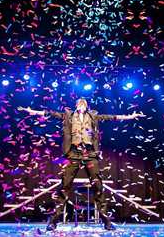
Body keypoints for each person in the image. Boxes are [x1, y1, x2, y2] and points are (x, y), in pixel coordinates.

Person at [17, 98, 146, 231]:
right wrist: (32, 111)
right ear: (76, 106)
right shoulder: (68, 115)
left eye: (84, 104)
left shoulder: (93, 116)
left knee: (98, 185)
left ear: (87, 106)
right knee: (64, 185)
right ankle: (53, 221)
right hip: (74, 153)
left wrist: (130, 116)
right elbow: (50, 113)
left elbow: (111, 117)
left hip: (89, 153)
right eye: (79, 103)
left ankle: (106, 221)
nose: (82, 105)